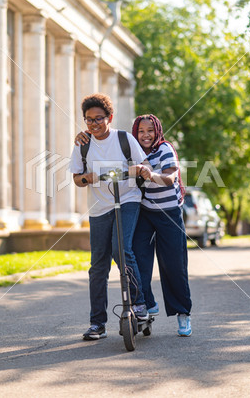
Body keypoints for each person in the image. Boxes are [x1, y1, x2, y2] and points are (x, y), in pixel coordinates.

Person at [70, 93, 149, 341]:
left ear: (109, 118)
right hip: (99, 207)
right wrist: (88, 178)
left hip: (126, 199)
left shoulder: (124, 139)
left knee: (121, 250)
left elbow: (144, 166)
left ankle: (139, 305)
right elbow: (76, 179)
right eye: (89, 120)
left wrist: (139, 170)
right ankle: (97, 324)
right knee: (98, 266)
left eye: (99, 119)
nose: (94, 124)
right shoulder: (82, 145)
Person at [130, 114, 192, 337]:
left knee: (173, 264)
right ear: (135, 133)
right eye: (141, 131)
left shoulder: (165, 149)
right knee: (138, 259)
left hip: (169, 213)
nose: (145, 135)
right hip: (145, 212)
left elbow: (170, 178)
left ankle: (183, 314)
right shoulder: (134, 150)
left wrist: (150, 174)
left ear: (157, 132)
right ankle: (147, 303)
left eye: (150, 131)